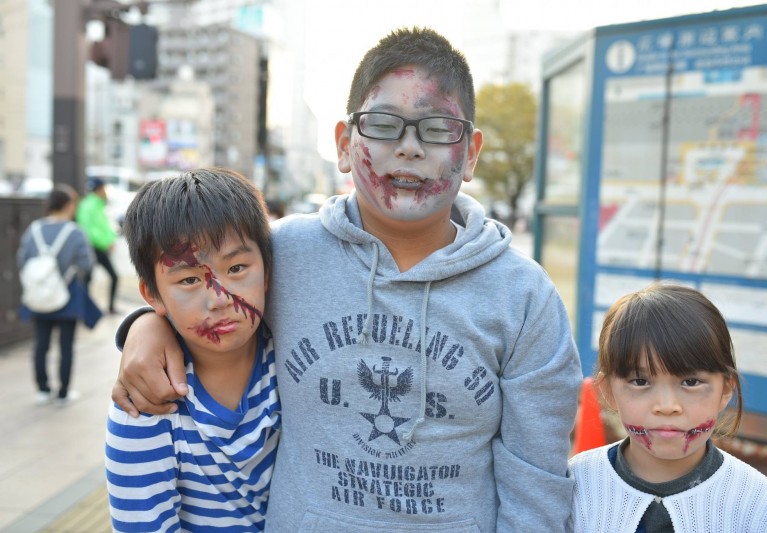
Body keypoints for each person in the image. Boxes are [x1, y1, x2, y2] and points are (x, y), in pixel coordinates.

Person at [113, 27, 582, 532]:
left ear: (470, 153)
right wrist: (145, 326)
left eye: (437, 129)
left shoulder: (525, 298)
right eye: (383, 125)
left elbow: (537, 484)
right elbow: (205, 282)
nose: (408, 148)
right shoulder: (282, 253)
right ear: (343, 144)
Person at [105, 168, 281, 532]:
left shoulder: (294, 357)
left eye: (236, 268)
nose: (219, 299)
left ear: (267, 272)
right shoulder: (146, 403)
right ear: (152, 294)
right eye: (188, 279)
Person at [568, 282, 767, 532]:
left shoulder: (765, 509)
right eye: (640, 381)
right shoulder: (572, 488)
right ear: (608, 391)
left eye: (690, 382)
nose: (667, 406)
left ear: (725, 389)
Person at [17, 184, 97, 405]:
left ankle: (42, 390)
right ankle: (63, 392)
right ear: (69, 205)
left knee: (41, 344)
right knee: (66, 345)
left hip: (39, 296)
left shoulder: (33, 230)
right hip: (67, 296)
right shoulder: (75, 232)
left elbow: (22, 260)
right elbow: (87, 264)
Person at [76, 177, 119, 314]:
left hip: (96, 247)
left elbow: (102, 227)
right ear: (100, 189)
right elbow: (89, 230)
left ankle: (88, 309)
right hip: (95, 248)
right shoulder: (91, 205)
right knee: (108, 277)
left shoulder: (93, 204)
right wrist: (106, 243)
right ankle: (98, 308)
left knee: (89, 279)